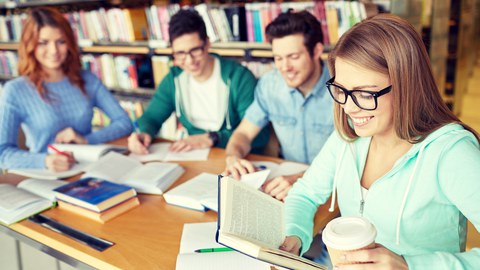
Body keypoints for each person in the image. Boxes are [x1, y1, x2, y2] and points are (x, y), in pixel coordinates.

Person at [280, 14, 480, 269]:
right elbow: (305, 194)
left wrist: (409, 265)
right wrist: (293, 237)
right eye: (341, 90)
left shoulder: (451, 153)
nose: (349, 108)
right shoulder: (348, 136)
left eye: (364, 93)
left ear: (407, 84)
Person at [0, 7, 133, 172]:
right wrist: (45, 161)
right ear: (30, 45)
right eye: (43, 43)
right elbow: (2, 154)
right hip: (45, 175)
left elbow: (125, 123)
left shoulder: (87, 79)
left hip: (88, 169)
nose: (54, 50)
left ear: (69, 43)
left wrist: (86, 140)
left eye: (61, 41)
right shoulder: (15, 90)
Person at [223, 11, 334, 201]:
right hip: (285, 187)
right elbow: (243, 134)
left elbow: (357, 158)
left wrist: (302, 179)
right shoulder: (269, 85)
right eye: (278, 58)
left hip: (333, 188)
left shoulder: (344, 88)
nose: (285, 67)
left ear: (316, 51)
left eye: (293, 56)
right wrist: (233, 156)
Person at [128, 9, 268, 154]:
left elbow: (260, 136)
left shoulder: (239, 78)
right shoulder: (174, 79)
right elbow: (152, 117)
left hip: (238, 158)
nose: (189, 61)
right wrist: (143, 133)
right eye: (180, 53)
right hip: (196, 157)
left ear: (207, 44)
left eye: (195, 50)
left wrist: (213, 138)